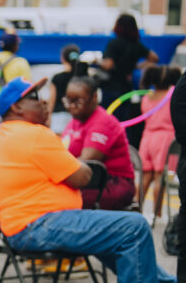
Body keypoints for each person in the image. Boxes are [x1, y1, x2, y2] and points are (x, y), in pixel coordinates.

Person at [0, 77, 176, 283]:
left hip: (22, 226)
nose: (43, 102)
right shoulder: (34, 134)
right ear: (16, 107)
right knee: (134, 226)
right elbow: (83, 175)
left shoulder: (1, 135)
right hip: (39, 224)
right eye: (35, 97)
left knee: (117, 237)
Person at [137, 68, 186, 283]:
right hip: (166, 139)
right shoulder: (169, 94)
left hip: (151, 137)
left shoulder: (150, 98)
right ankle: (153, 213)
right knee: (157, 181)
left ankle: (146, 212)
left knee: (147, 179)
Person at [60, 75, 136, 210]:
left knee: (59, 198)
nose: (72, 106)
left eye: (78, 101)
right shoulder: (74, 122)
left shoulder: (103, 122)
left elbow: (86, 162)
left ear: (94, 97)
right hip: (88, 184)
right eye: (68, 100)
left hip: (111, 185)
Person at [101, 14, 158, 147]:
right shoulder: (136, 45)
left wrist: (96, 62)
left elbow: (108, 64)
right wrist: (136, 66)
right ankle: (124, 146)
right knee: (125, 122)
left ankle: (109, 146)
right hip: (126, 88)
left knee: (109, 121)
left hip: (111, 88)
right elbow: (154, 57)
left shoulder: (114, 44)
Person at [138, 66, 180, 218]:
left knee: (145, 177)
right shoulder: (172, 96)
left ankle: (137, 208)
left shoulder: (146, 98)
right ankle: (157, 213)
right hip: (164, 139)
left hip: (147, 138)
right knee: (159, 178)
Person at [48, 43, 88, 133]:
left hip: (58, 117)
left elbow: (51, 101)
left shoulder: (57, 78)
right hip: (77, 116)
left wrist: (48, 116)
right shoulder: (82, 77)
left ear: (62, 58)